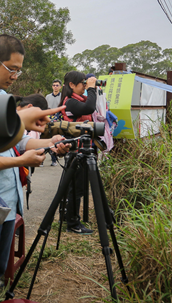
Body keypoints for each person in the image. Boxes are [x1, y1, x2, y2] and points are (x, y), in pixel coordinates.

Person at [0, 34, 69, 303]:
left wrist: (49, 143)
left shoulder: (2, 97)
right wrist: (21, 161)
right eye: (12, 69)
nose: (16, 76)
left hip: (5, 204)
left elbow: (16, 140)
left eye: (19, 70)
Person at [59, 70, 97, 235]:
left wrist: (92, 89)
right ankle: (73, 223)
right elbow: (90, 106)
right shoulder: (70, 102)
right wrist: (92, 89)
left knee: (76, 188)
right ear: (71, 85)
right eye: (83, 83)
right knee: (76, 189)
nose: (84, 86)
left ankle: (69, 218)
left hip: (82, 150)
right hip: (76, 151)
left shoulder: (76, 100)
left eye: (85, 83)